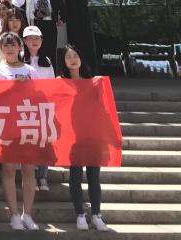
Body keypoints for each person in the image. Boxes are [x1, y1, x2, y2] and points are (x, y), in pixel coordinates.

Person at [0, 33, 40, 231]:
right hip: (7, 124)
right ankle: (14, 214)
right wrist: (13, 87)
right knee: (9, 170)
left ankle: (28, 214)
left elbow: (39, 95)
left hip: (28, 122)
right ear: (1, 48)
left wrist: (26, 87)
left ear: (20, 47)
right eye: (6, 45)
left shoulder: (30, 70)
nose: (10, 49)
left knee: (29, 170)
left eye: (13, 45)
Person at [62, 44, 110, 232]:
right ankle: (80, 214)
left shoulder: (93, 83)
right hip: (73, 137)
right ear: (64, 61)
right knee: (75, 175)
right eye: (68, 56)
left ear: (81, 59)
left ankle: (96, 215)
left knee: (93, 176)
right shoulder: (61, 82)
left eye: (75, 55)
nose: (72, 59)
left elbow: (103, 110)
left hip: (92, 135)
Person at [23, 25, 57, 191]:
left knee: (44, 142)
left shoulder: (47, 61)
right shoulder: (20, 59)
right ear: (24, 41)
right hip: (24, 108)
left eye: (37, 38)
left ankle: (43, 177)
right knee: (28, 143)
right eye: (30, 38)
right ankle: (30, 178)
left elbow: (51, 85)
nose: (34, 41)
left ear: (42, 41)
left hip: (43, 106)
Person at [24, 0, 66, 66]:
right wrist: (35, 14)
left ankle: (52, 71)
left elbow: (62, 7)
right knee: (36, 49)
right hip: (36, 25)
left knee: (51, 50)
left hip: (50, 24)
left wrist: (62, 19)